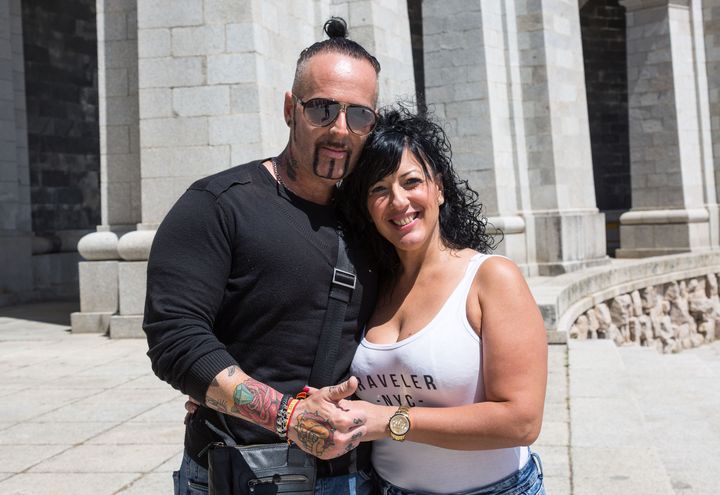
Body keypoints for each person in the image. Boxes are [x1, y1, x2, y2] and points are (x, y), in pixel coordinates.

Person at [143, 18, 381, 495]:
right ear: (290, 108)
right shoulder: (218, 203)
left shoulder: (376, 215)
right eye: (322, 109)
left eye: (358, 115)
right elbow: (176, 339)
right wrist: (287, 415)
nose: (340, 129)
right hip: (245, 472)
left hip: (358, 475)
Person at [338, 107, 548, 495]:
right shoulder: (371, 287)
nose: (398, 201)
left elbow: (521, 421)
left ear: (439, 187)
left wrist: (389, 421)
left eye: (411, 181)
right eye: (378, 190)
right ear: (367, 209)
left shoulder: (490, 278)